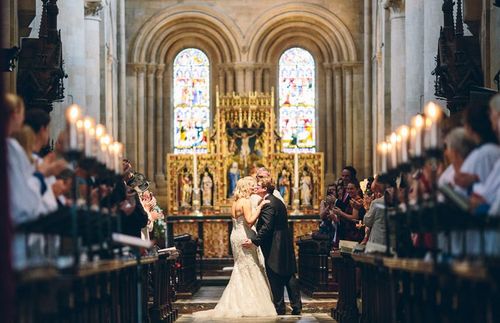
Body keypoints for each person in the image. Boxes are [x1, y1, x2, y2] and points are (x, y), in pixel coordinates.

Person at [193, 177, 277, 318]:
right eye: (251, 185)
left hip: (236, 235)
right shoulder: (245, 202)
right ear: (245, 187)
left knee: (241, 267)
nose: (253, 187)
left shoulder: (236, 202)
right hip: (245, 236)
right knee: (250, 266)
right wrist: (260, 207)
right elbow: (250, 222)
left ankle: (239, 300)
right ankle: (250, 303)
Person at [242, 177, 302, 315]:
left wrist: (254, 240)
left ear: (264, 189)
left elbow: (267, 227)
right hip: (283, 241)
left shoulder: (269, 203)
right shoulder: (276, 201)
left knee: (275, 273)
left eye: (258, 185)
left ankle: (280, 306)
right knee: (289, 274)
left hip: (276, 243)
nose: (255, 187)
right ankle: (296, 305)